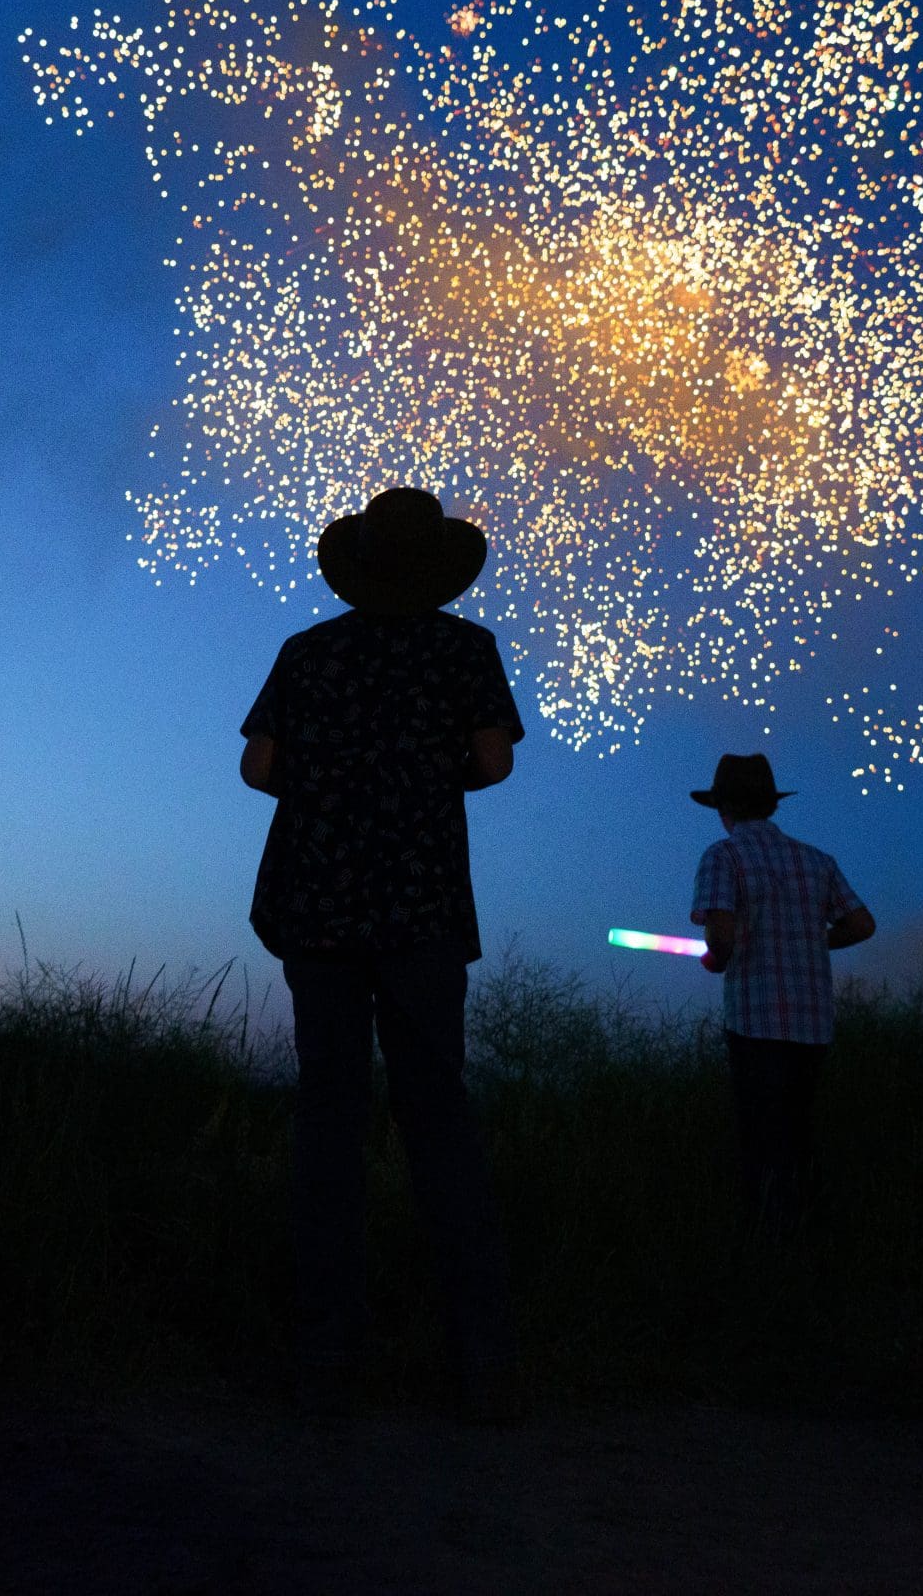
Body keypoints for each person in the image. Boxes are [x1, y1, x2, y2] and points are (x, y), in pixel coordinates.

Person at [240, 487, 526, 1421]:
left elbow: (258, 768)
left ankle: (325, 1357)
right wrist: (421, 776)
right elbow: (495, 761)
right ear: (436, 570)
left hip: (317, 906)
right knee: (438, 1116)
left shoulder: (309, 651)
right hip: (423, 909)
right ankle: (481, 1361)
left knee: (328, 1117)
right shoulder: (465, 649)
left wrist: (334, 780)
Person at [687, 753, 874, 1239]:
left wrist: (715, 959)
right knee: (799, 1132)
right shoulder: (817, 861)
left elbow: (721, 935)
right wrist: (814, 940)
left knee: (761, 1138)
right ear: (770, 805)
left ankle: (770, 1247)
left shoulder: (722, 856)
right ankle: (812, 1237)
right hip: (814, 1025)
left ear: (724, 808)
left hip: (755, 1021)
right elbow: (861, 924)